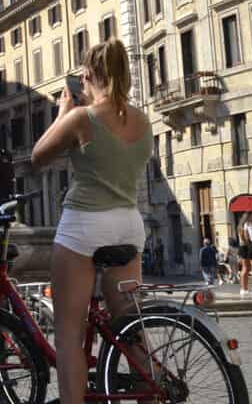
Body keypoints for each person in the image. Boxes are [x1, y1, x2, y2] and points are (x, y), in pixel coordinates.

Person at [31, 40, 150, 404]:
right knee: (130, 325)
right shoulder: (142, 118)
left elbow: (38, 156)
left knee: (68, 332)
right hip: (129, 225)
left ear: (87, 75)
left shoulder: (82, 118)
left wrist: (64, 111)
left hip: (85, 225)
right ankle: (152, 392)